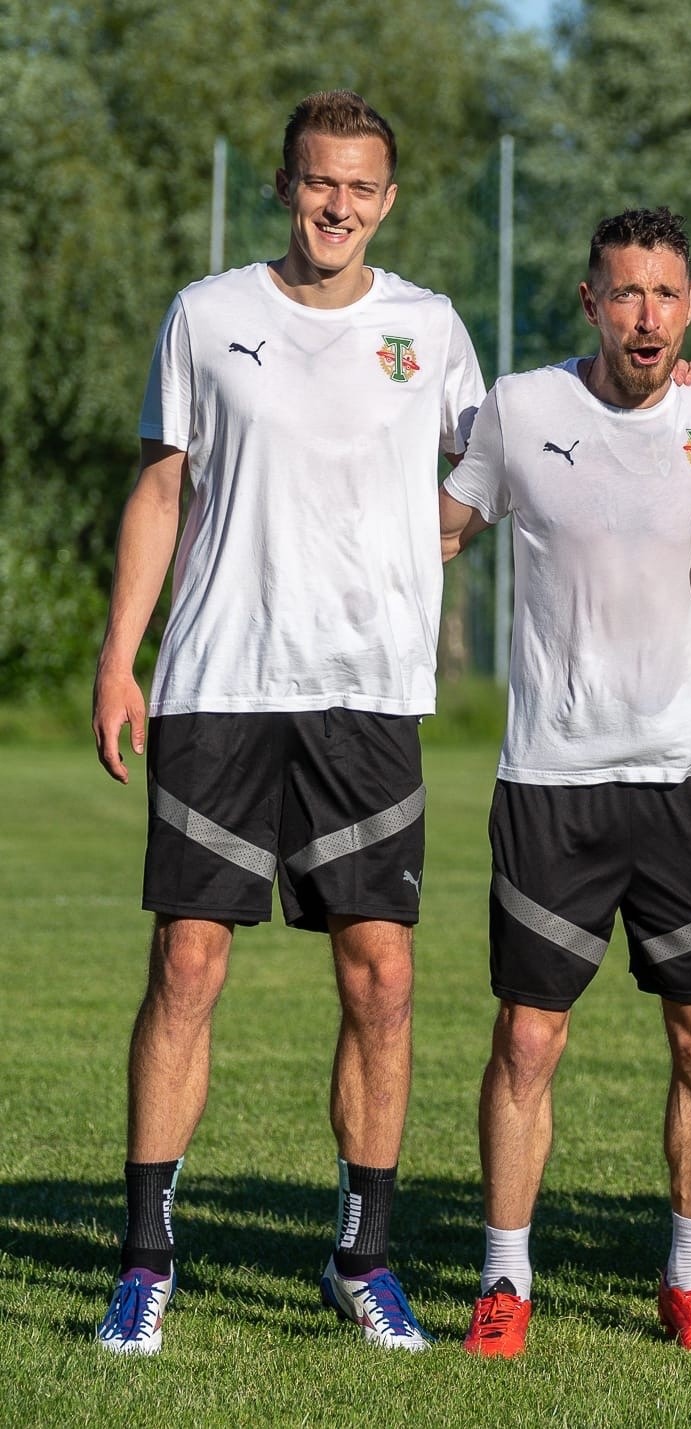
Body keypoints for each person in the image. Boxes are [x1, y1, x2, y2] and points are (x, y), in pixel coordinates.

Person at [90, 90, 483, 1354]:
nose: (337, 205)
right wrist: (118, 658)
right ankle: (145, 1259)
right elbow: (161, 490)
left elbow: (491, 469)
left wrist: (420, 543)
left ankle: (362, 1258)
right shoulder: (207, 314)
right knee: (187, 964)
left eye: (361, 186)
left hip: (366, 695)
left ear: (388, 200)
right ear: (284, 186)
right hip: (218, 683)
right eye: (319, 181)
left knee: (381, 977)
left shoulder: (429, 327)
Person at [439, 208, 691, 1359]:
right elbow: (440, 530)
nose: (645, 316)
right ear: (589, 302)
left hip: (689, 777)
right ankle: (504, 1277)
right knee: (527, 1040)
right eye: (625, 293)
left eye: (665, 294)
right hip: (552, 778)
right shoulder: (520, 409)